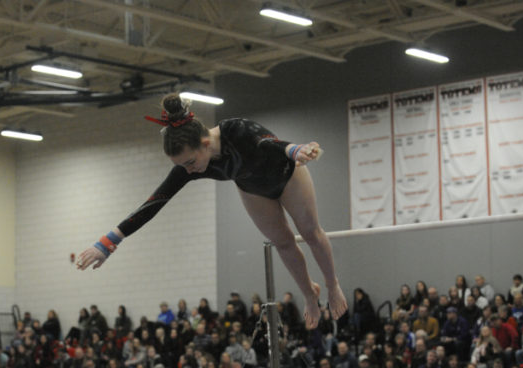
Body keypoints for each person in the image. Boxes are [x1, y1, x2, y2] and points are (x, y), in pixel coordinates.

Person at [76, 93, 348, 329]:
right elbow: (155, 202)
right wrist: (109, 241)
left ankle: (332, 285)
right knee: (283, 243)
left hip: (288, 174)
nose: (189, 170)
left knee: (310, 233)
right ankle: (310, 296)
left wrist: (294, 149)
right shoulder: (190, 165)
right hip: (252, 189)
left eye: (191, 162)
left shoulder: (236, 130)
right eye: (182, 165)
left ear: (205, 143)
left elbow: (267, 142)